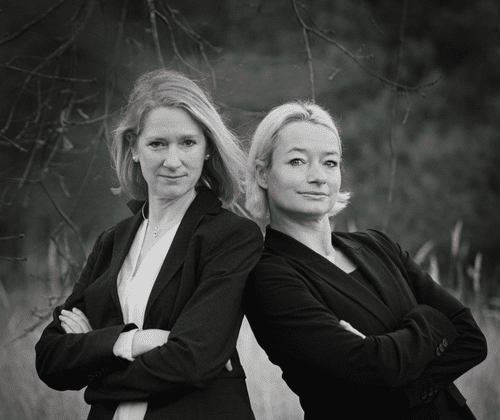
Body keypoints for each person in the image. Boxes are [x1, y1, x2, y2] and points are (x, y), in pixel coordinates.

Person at [35, 69, 263, 420]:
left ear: (207, 148)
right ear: (134, 149)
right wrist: (132, 341)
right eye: (157, 144)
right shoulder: (112, 242)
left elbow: (191, 360)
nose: (173, 161)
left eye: (187, 143)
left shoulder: (231, 237)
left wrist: (95, 365)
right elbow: (51, 357)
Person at [243, 100, 487, 419]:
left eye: (330, 163)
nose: (318, 177)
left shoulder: (378, 245)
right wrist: (430, 319)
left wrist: (398, 377)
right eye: (297, 161)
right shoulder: (267, 277)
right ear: (262, 173)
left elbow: (470, 338)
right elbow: (371, 370)